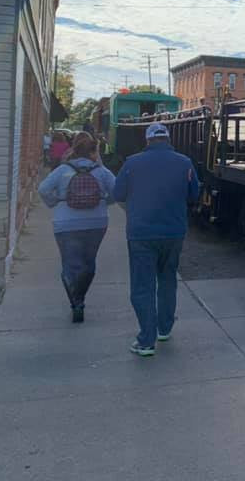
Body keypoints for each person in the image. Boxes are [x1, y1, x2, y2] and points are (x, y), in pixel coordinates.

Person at [113, 122, 199, 357]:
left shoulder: (132, 163)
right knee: (168, 280)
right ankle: (164, 328)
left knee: (143, 286)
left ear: (148, 140)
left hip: (141, 234)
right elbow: (194, 194)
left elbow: (118, 194)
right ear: (168, 139)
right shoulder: (185, 162)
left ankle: (146, 341)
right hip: (173, 232)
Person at [38, 131, 116, 323]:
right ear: (93, 152)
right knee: (89, 263)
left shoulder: (63, 170)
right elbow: (117, 191)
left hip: (66, 223)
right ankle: (81, 295)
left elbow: (43, 189)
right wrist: (104, 202)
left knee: (70, 264)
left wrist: (55, 201)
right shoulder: (101, 171)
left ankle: (76, 302)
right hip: (96, 222)